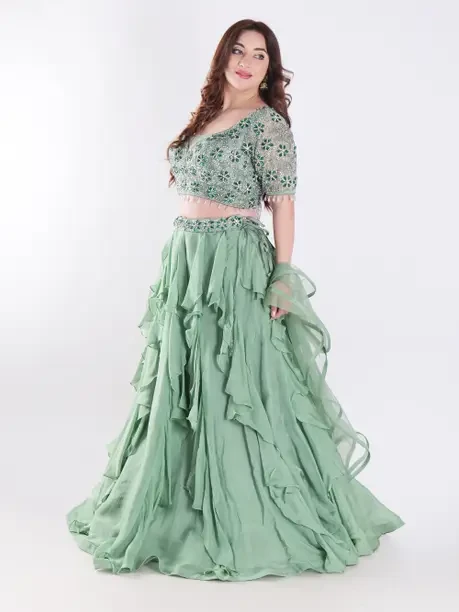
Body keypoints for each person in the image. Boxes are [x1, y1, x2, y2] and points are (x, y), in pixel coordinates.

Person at [66, 19, 404, 581]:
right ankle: (177, 504)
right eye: (239, 51)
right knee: (184, 379)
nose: (247, 62)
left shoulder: (268, 125)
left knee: (234, 379)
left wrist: (282, 274)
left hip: (234, 263)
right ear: (223, 57)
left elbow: (284, 205)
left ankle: (245, 509)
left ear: (271, 69)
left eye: (260, 55)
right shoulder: (206, 117)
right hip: (188, 259)